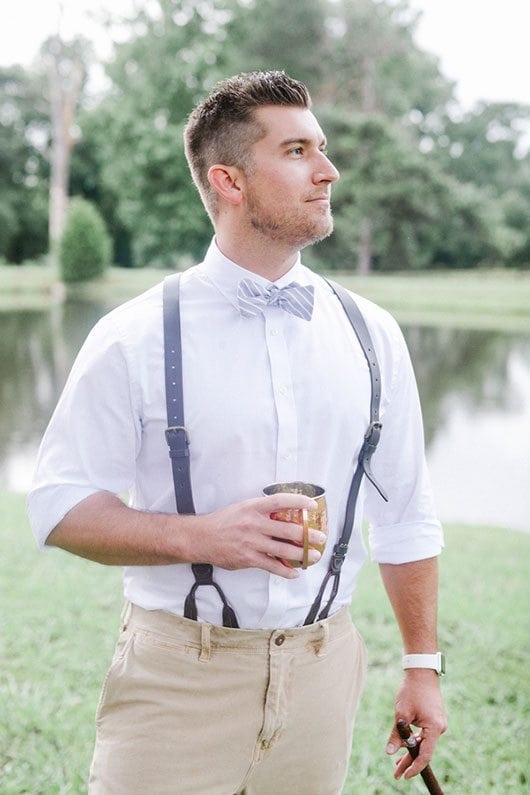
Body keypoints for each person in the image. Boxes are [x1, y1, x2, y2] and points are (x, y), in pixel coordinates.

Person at [28, 70, 447, 795]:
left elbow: (405, 513)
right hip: (175, 677)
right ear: (229, 179)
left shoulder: (372, 335)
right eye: (296, 151)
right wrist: (202, 536)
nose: (328, 170)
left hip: (324, 674)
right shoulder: (132, 336)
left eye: (321, 147)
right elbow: (60, 505)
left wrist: (421, 666)